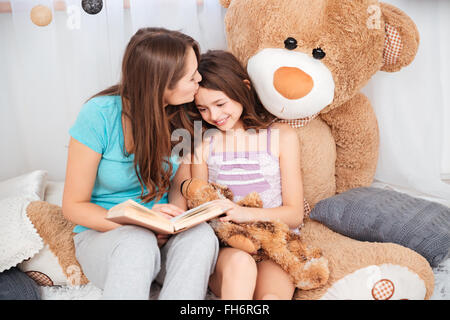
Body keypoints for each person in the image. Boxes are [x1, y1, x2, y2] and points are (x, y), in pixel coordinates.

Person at [62, 28, 219, 300]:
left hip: (159, 233)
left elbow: (179, 184)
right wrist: (143, 227)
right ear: (161, 82)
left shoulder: (183, 116)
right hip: (107, 236)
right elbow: (73, 206)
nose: (199, 79)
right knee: (138, 242)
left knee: (202, 236)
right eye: (191, 76)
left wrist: (173, 222)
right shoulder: (99, 116)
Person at [189, 50, 306, 300]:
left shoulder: (281, 136)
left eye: (220, 104)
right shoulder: (203, 144)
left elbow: (295, 214)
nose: (214, 116)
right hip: (230, 247)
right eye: (203, 109)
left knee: (269, 299)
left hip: (275, 243)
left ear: (243, 88)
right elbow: (199, 204)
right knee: (241, 274)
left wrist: (244, 213)